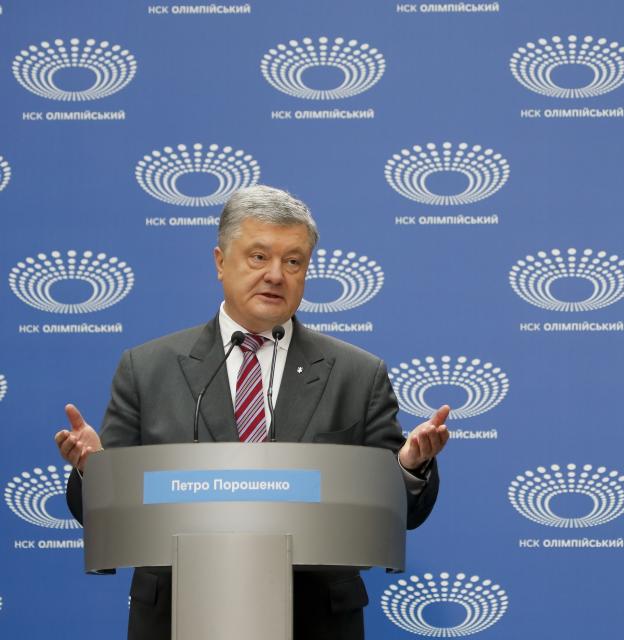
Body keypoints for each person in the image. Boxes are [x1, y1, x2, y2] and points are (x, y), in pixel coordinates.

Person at [53, 185, 449, 640]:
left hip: (317, 619)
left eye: (294, 261)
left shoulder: (358, 374)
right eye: (259, 257)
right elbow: (102, 513)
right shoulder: (147, 369)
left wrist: (408, 468)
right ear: (221, 262)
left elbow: (399, 513)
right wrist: (94, 473)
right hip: (178, 616)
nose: (276, 275)